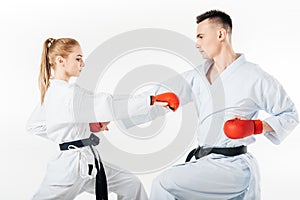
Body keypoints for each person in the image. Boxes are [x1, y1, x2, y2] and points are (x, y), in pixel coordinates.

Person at [148, 10, 299, 200]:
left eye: (201, 36)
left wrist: (256, 126)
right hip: (206, 164)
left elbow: (290, 114)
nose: (197, 44)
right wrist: (152, 99)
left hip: (234, 167)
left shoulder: (254, 76)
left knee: (164, 183)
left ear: (221, 34)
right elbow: (158, 91)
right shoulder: (198, 76)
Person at [26, 38, 179, 200]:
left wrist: (81, 128)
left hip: (87, 162)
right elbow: (110, 105)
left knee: (130, 184)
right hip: (70, 167)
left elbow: (35, 125)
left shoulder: (52, 92)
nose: (82, 64)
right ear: (60, 61)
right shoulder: (68, 94)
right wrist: (151, 100)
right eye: (78, 59)